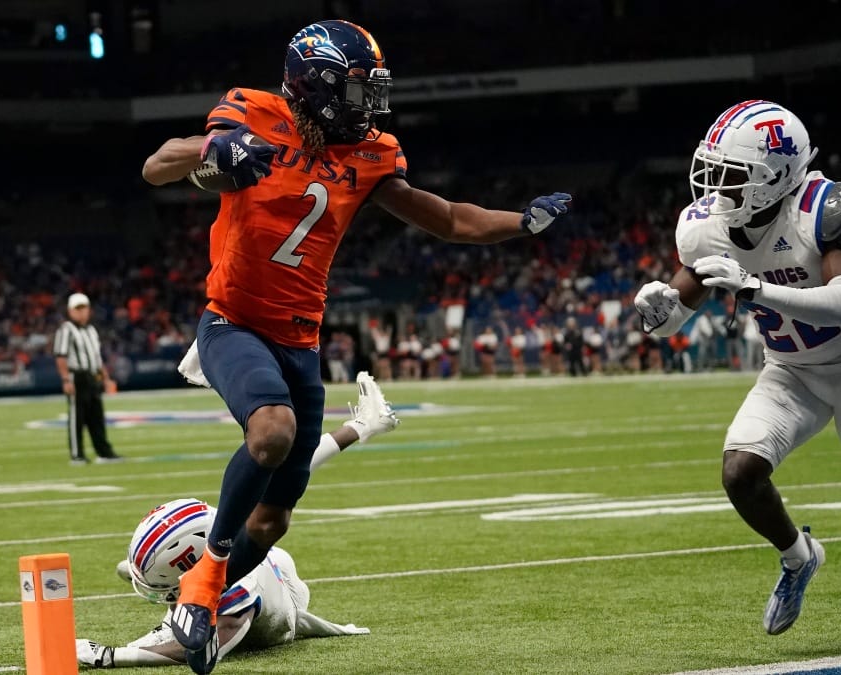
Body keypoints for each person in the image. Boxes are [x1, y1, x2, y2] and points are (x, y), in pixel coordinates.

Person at [141, 20, 570, 671]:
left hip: (301, 341)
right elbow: (157, 164)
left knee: (272, 520)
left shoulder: (371, 153)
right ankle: (199, 597)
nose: (368, 104)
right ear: (314, 86)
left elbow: (448, 217)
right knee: (272, 432)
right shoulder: (251, 113)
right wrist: (211, 154)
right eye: (356, 88)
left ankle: (196, 597)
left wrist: (520, 223)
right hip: (233, 321)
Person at [634, 100, 841, 649]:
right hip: (791, 371)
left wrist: (755, 289)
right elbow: (676, 314)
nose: (717, 191)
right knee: (739, 473)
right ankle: (799, 557)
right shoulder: (707, 230)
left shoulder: (822, 207)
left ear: (776, 175)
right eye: (715, 174)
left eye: (733, 178)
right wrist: (658, 312)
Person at [76, 378, 397, 669]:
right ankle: (364, 424)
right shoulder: (223, 531)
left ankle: (171, 587)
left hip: (285, 604)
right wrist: (358, 427)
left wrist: (110, 655)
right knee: (276, 478)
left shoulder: (238, 594)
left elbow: (198, 649)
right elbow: (298, 465)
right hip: (261, 561)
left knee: (270, 488)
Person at [54, 293, 121, 466]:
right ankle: (77, 455)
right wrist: (66, 380)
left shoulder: (91, 330)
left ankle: (104, 452)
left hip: (92, 376)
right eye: (78, 309)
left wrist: (105, 379)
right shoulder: (66, 329)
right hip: (76, 376)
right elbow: (60, 356)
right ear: (70, 311)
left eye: (84, 308)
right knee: (77, 417)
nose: (81, 312)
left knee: (96, 416)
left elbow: (96, 358)